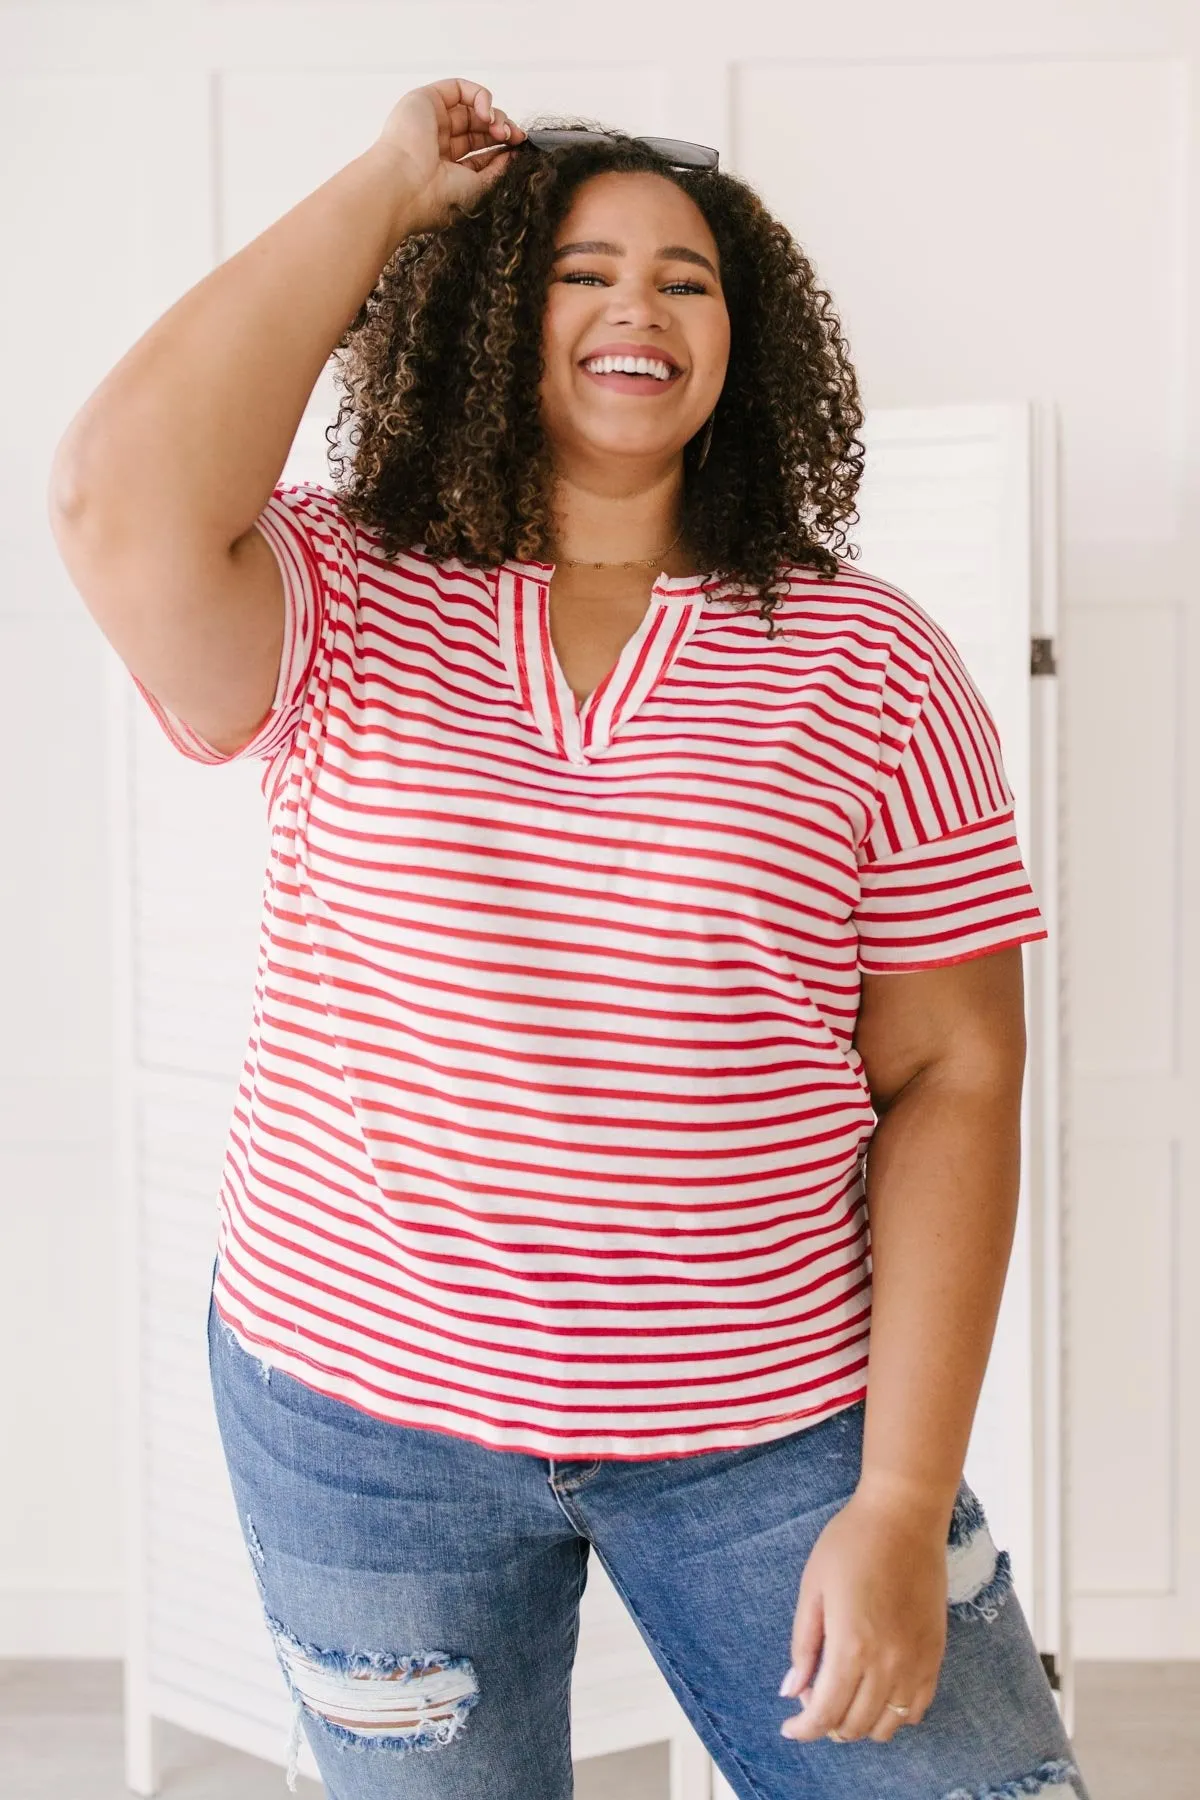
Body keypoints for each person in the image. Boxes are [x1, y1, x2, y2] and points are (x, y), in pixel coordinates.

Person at [48, 77, 1088, 1800]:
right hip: (360, 1419)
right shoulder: (345, 593)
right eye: (581, 270)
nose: (640, 308)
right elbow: (110, 501)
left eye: (689, 281)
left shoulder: (866, 661)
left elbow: (956, 1070)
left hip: (773, 1431)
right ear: (489, 317)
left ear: (744, 344)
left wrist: (901, 1500)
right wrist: (389, 188)